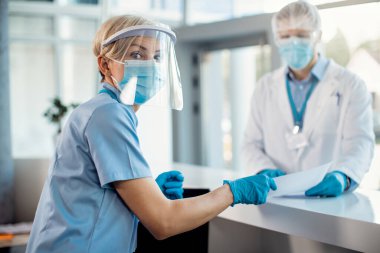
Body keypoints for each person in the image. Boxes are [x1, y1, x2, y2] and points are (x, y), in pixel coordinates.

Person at [26, 15, 277, 253]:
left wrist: (144, 197)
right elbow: (163, 222)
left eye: (157, 57)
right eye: (137, 54)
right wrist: (232, 192)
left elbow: (94, 201)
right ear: (105, 64)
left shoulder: (106, 111)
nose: (150, 66)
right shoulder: (108, 115)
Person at [242, 0, 374, 197]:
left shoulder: (350, 85)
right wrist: (263, 170)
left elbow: (361, 143)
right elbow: (250, 144)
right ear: (277, 39)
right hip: (276, 199)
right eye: (285, 36)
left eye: (301, 35)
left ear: (318, 36)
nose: (293, 42)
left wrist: (343, 176)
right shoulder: (265, 87)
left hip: (331, 204)